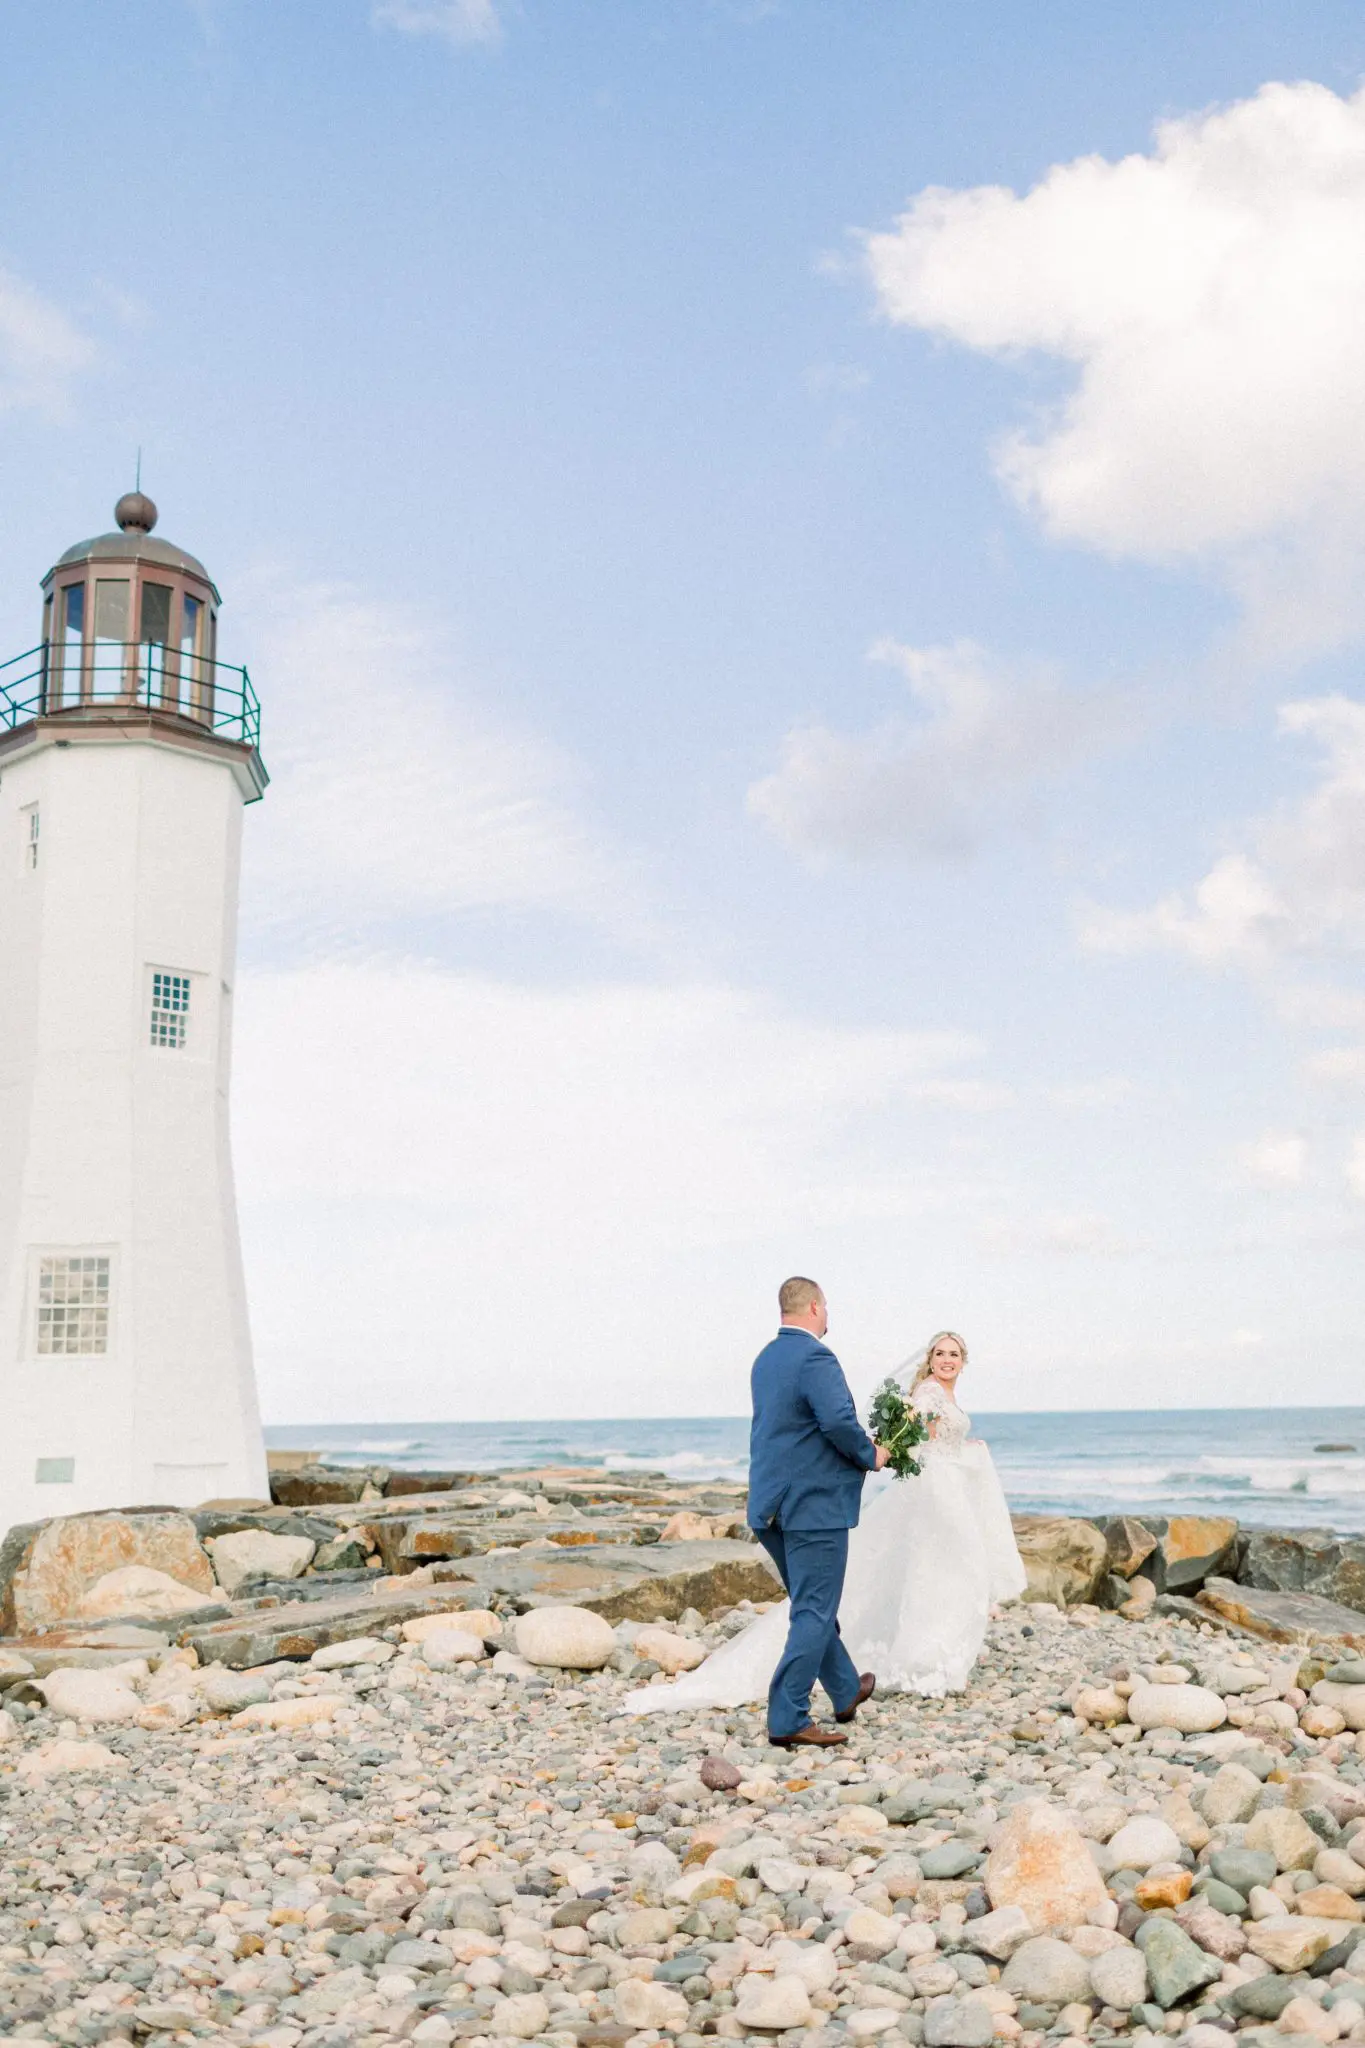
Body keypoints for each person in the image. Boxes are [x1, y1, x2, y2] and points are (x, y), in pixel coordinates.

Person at [622, 1327, 1026, 1718]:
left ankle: (884, 1673)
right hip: (922, 1493)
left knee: (928, 1573)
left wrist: (965, 1448)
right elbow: (900, 1436)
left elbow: (938, 1439)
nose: (946, 1359)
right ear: (929, 1360)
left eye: (953, 1353)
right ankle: (817, 1702)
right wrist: (878, 1454)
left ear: (964, 1361)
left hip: (912, 1489)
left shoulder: (771, 1360)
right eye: (940, 1353)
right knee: (906, 1578)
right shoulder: (925, 1391)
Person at [742, 1277, 889, 1749]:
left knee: (812, 1604)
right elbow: (838, 1423)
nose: (828, 1315)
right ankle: (788, 1717)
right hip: (811, 1507)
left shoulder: (766, 1358)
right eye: (825, 1307)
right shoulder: (815, 1357)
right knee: (814, 1610)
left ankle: (845, 1689)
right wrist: (872, 1454)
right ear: (812, 1307)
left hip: (769, 1505)